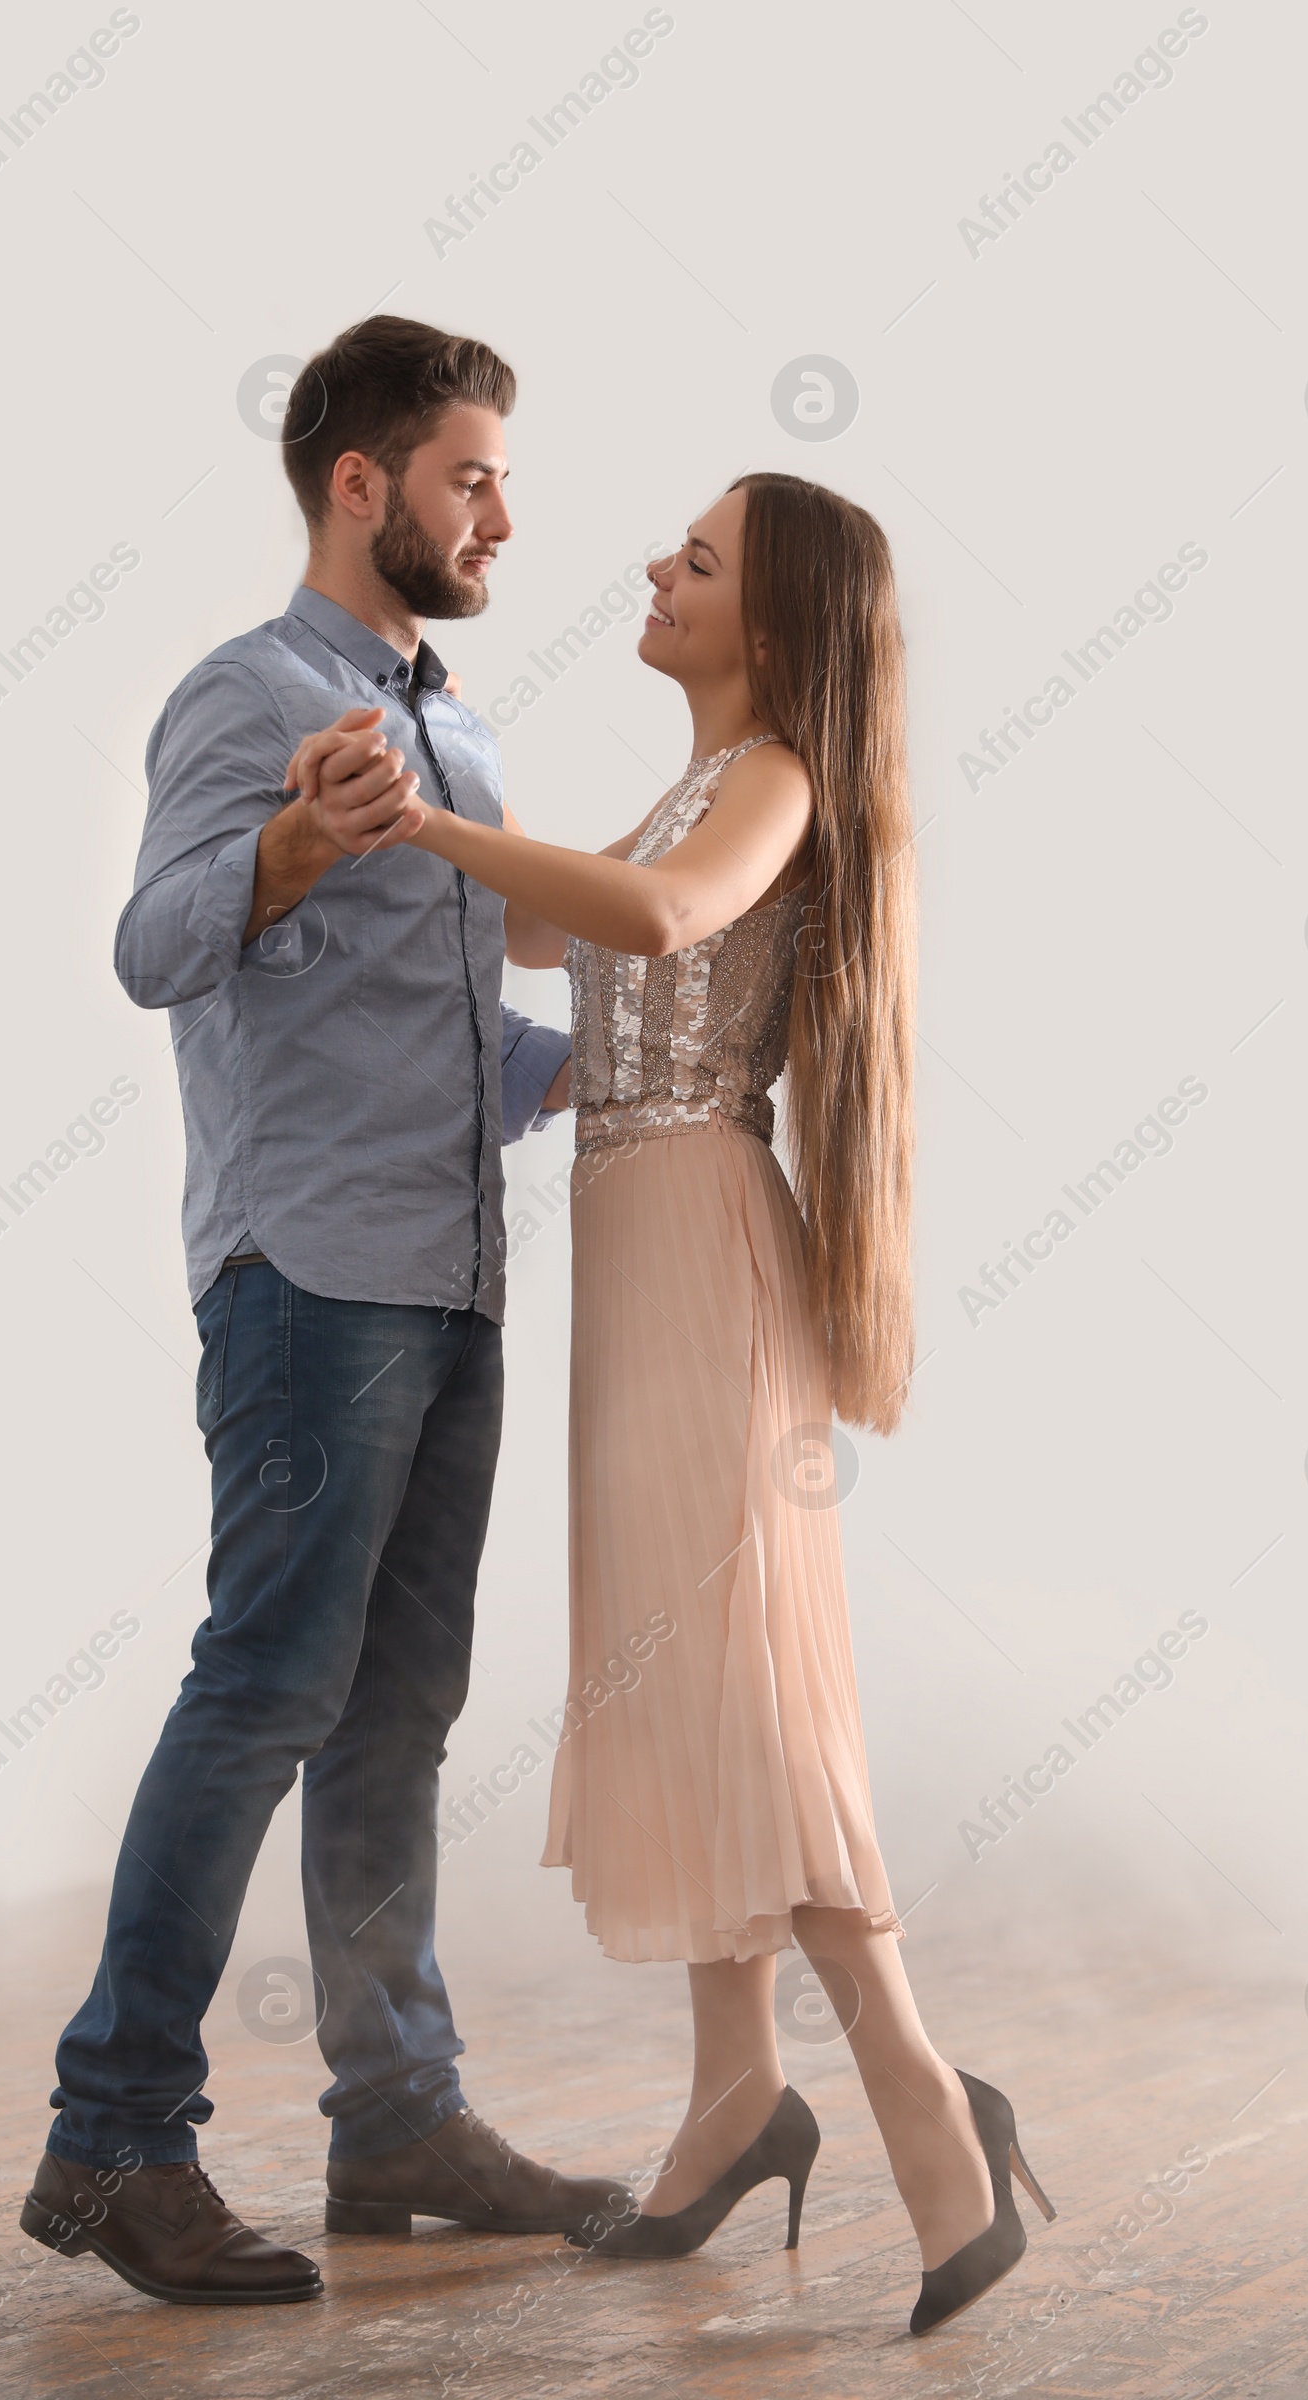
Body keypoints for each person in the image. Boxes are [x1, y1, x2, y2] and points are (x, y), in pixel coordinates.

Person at [287, 470, 1057, 2334]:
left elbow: (642, 920)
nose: (650, 567)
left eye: (695, 561)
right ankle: (732, 2101)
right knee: (675, 1667)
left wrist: (438, 828)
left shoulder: (773, 778)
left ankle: (927, 2106)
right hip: (636, 1250)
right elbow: (575, 927)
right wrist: (419, 816)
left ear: (774, 628)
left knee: (744, 1683)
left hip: (702, 1245)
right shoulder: (696, 783)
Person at [19, 315, 632, 2305]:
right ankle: (113, 2138)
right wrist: (289, 836)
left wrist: (608, 1073)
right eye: (469, 479)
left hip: (449, 1284)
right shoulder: (245, 694)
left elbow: (458, 1034)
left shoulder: (457, 731)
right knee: (264, 1693)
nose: (500, 518)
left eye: (501, 483)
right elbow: (152, 943)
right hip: (305, 1286)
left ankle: (397, 2124)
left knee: (392, 1715)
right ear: (359, 485)